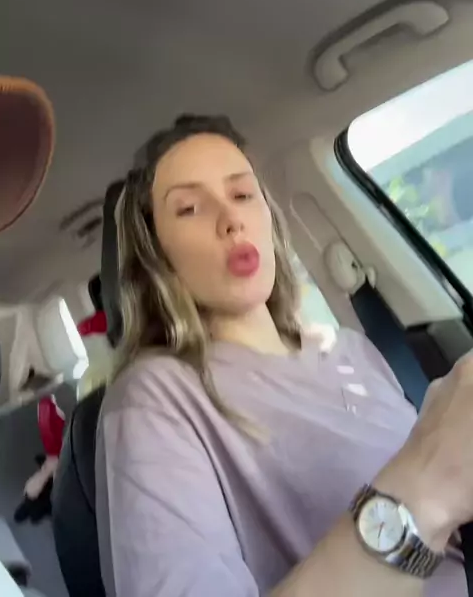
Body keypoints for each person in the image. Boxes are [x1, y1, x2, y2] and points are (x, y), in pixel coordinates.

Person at [95, 113, 473, 597]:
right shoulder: (153, 397)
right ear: (157, 255)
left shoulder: (350, 350)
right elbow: (430, 493)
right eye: (189, 208)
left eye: (242, 194)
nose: (231, 219)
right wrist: (427, 488)